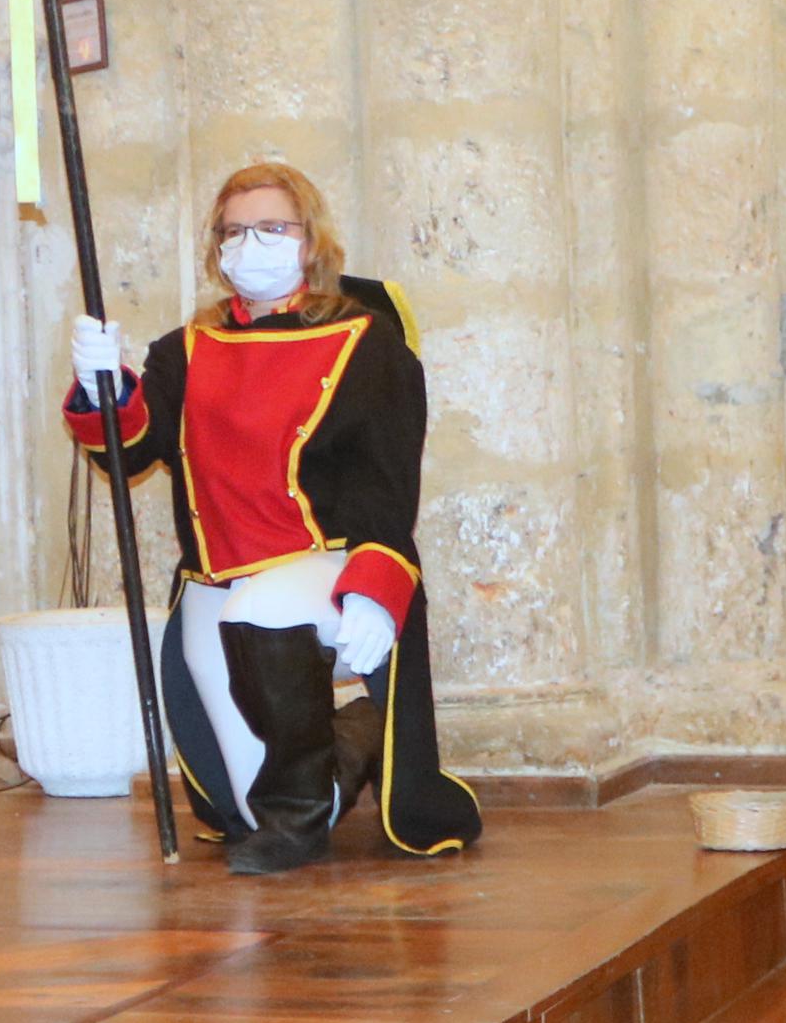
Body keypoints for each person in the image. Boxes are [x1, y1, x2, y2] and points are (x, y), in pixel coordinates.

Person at [68, 163, 480, 874]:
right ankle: (350, 743)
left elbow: (387, 482)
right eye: (234, 230)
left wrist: (379, 584)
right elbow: (130, 449)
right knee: (244, 804)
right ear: (216, 249)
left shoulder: (364, 341)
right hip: (215, 579)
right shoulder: (185, 350)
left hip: (321, 567)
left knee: (262, 633)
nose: (251, 242)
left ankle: (299, 826)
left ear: (309, 239)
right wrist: (105, 387)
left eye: (272, 226)